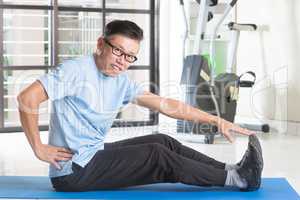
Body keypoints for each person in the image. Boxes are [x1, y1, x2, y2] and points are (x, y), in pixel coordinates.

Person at [17, 20, 263, 192]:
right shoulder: (75, 70)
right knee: (155, 156)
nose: (123, 61)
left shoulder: (120, 80)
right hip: (73, 172)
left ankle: (232, 169)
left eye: (130, 56)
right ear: (101, 44)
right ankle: (237, 180)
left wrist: (216, 121)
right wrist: (38, 147)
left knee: (162, 142)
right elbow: (26, 98)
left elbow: (166, 105)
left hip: (93, 155)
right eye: (118, 51)